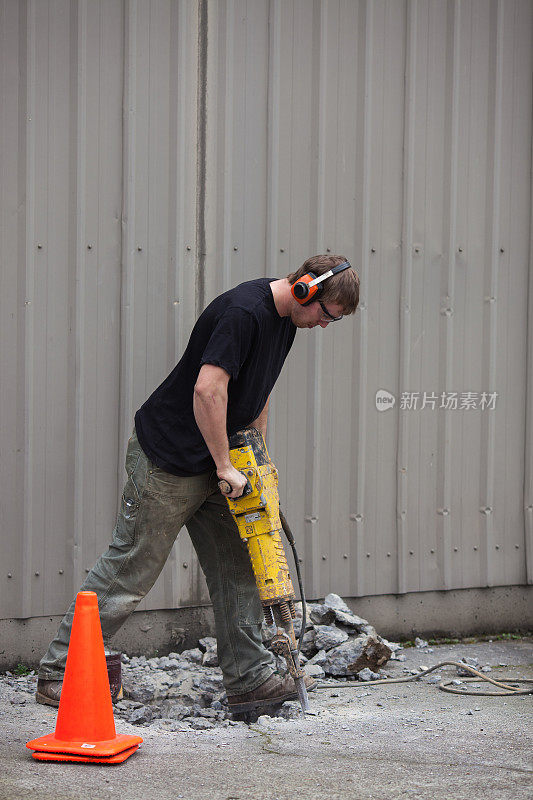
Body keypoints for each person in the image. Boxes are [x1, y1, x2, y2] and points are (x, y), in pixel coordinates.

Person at [36, 254, 360, 713]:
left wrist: (255, 456)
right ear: (306, 289)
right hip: (169, 459)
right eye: (327, 316)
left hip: (221, 461)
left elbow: (257, 388)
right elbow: (208, 389)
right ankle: (57, 672)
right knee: (132, 566)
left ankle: (250, 679)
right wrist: (226, 465)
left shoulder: (288, 321)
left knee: (239, 568)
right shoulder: (243, 312)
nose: (326, 326)